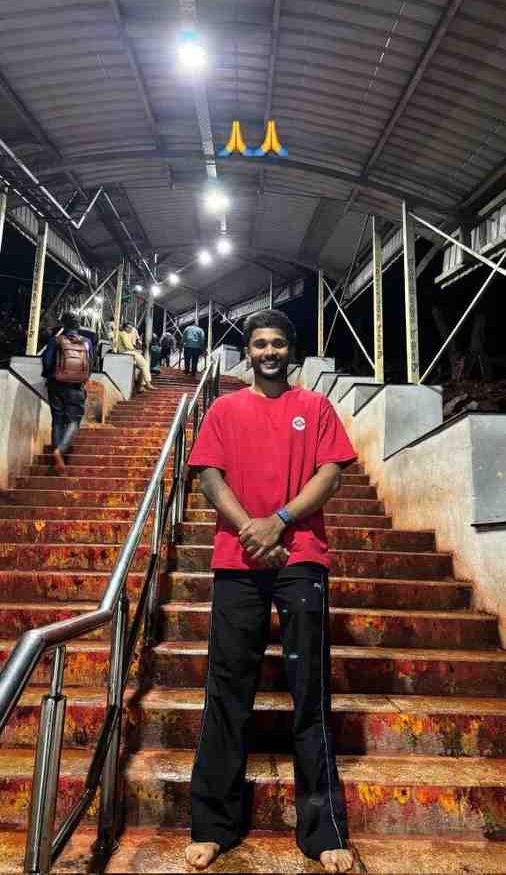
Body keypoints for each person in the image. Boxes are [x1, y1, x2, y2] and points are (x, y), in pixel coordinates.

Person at [185, 310, 356, 873]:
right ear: (248, 352)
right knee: (227, 689)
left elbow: (331, 473)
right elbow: (210, 475)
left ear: (292, 350)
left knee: (310, 692)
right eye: (259, 343)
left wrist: (278, 520)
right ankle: (213, 826)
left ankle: (325, 830)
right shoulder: (223, 408)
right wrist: (250, 530)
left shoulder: (315, 407)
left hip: (301, 559)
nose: (269, 351)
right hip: (239, 562)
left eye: (278, 342)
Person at [42, 312, 92, 474]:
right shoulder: (87, 342)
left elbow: (47, 362)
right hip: (76, 387)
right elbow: (91, 363)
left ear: (64, 325)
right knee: (73, 421)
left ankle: (56, 456)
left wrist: (50, 377)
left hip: (56, 385)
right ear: (78, 326)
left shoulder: (56, 340)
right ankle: (60, 451)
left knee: (57, 420)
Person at [117, 322, 156, 392]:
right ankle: (148, 384)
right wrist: (136, 350)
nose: (131, 330)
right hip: (127, 352)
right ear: (125, 328)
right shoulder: (123, 334)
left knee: (142, 368)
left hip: (126, 352)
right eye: (129, 328)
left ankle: (141, 386)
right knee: (144, 365)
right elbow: (128, 346)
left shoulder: (123, 334)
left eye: (131, 328)